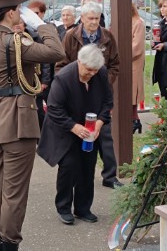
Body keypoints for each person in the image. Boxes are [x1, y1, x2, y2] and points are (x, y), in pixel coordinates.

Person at [0, 0, 65, 251]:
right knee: (14, 193)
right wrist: (42, 24)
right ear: (12, 12)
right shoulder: (16, 42)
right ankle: (9, 244)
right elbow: (56, 52)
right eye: (20, 10)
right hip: (18, 123)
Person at [37, 44, 113, 225]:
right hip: (65, 128)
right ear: (79, 61)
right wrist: (74, 127)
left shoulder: (100, 73)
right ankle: (63, 207)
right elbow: (54, 109)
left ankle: (83, 208)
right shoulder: (64, 78)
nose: (91, 74)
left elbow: (108, 102)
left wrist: (99, 124)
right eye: (88, 70)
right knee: (69, 167)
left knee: (88, 167)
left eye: (95, 71)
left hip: (90, 128)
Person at [55, 1, 122, 189]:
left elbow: (115, 64)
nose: (94, 22)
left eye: (97, 18)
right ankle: (79, 177)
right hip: (77, 93)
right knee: (81, 135)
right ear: (82, 18)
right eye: (90, 18)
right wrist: (71, 83)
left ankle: (110, 176)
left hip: (100, 94)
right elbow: (61, 64)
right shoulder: (70, 36)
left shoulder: (107, 36)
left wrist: (104, 81)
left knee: (104, 135)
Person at [27, 0, 53, 131]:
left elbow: (46, 59)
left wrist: (45, 80)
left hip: (44, 78)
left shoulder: (47, 29)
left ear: (43, 13)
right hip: (31, 79)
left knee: (51, 110)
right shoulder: (27, 30)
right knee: (37, 111)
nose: (33, 16)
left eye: (36, 13)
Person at [131, 3, 145, 134]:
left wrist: (121, 53)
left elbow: (137, 47)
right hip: (123, 63)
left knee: (132, 93)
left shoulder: (138, 23)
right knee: (127, 94)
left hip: (133, 62)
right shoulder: (123, 21)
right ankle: (134, 120)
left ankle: (134, 120)